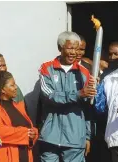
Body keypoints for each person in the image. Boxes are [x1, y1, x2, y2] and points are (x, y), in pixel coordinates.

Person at [38, 31, 96, 162]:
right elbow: (49, 96)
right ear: (60, 48)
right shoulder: (47, 68)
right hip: (50, 138)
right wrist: (78, 94)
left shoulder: (85, 73)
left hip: (75, 139)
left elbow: (88, 109)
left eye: (76, 49)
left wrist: (87, 136)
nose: (73, 52)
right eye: (70, 48)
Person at [0, 71, 38, 162]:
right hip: (4, 157)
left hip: (25, 156)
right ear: (2, 89)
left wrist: (33, 133)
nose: (16, 87)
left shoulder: (18, 105)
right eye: (12, 85)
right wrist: (25, 133)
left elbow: (28, 127)